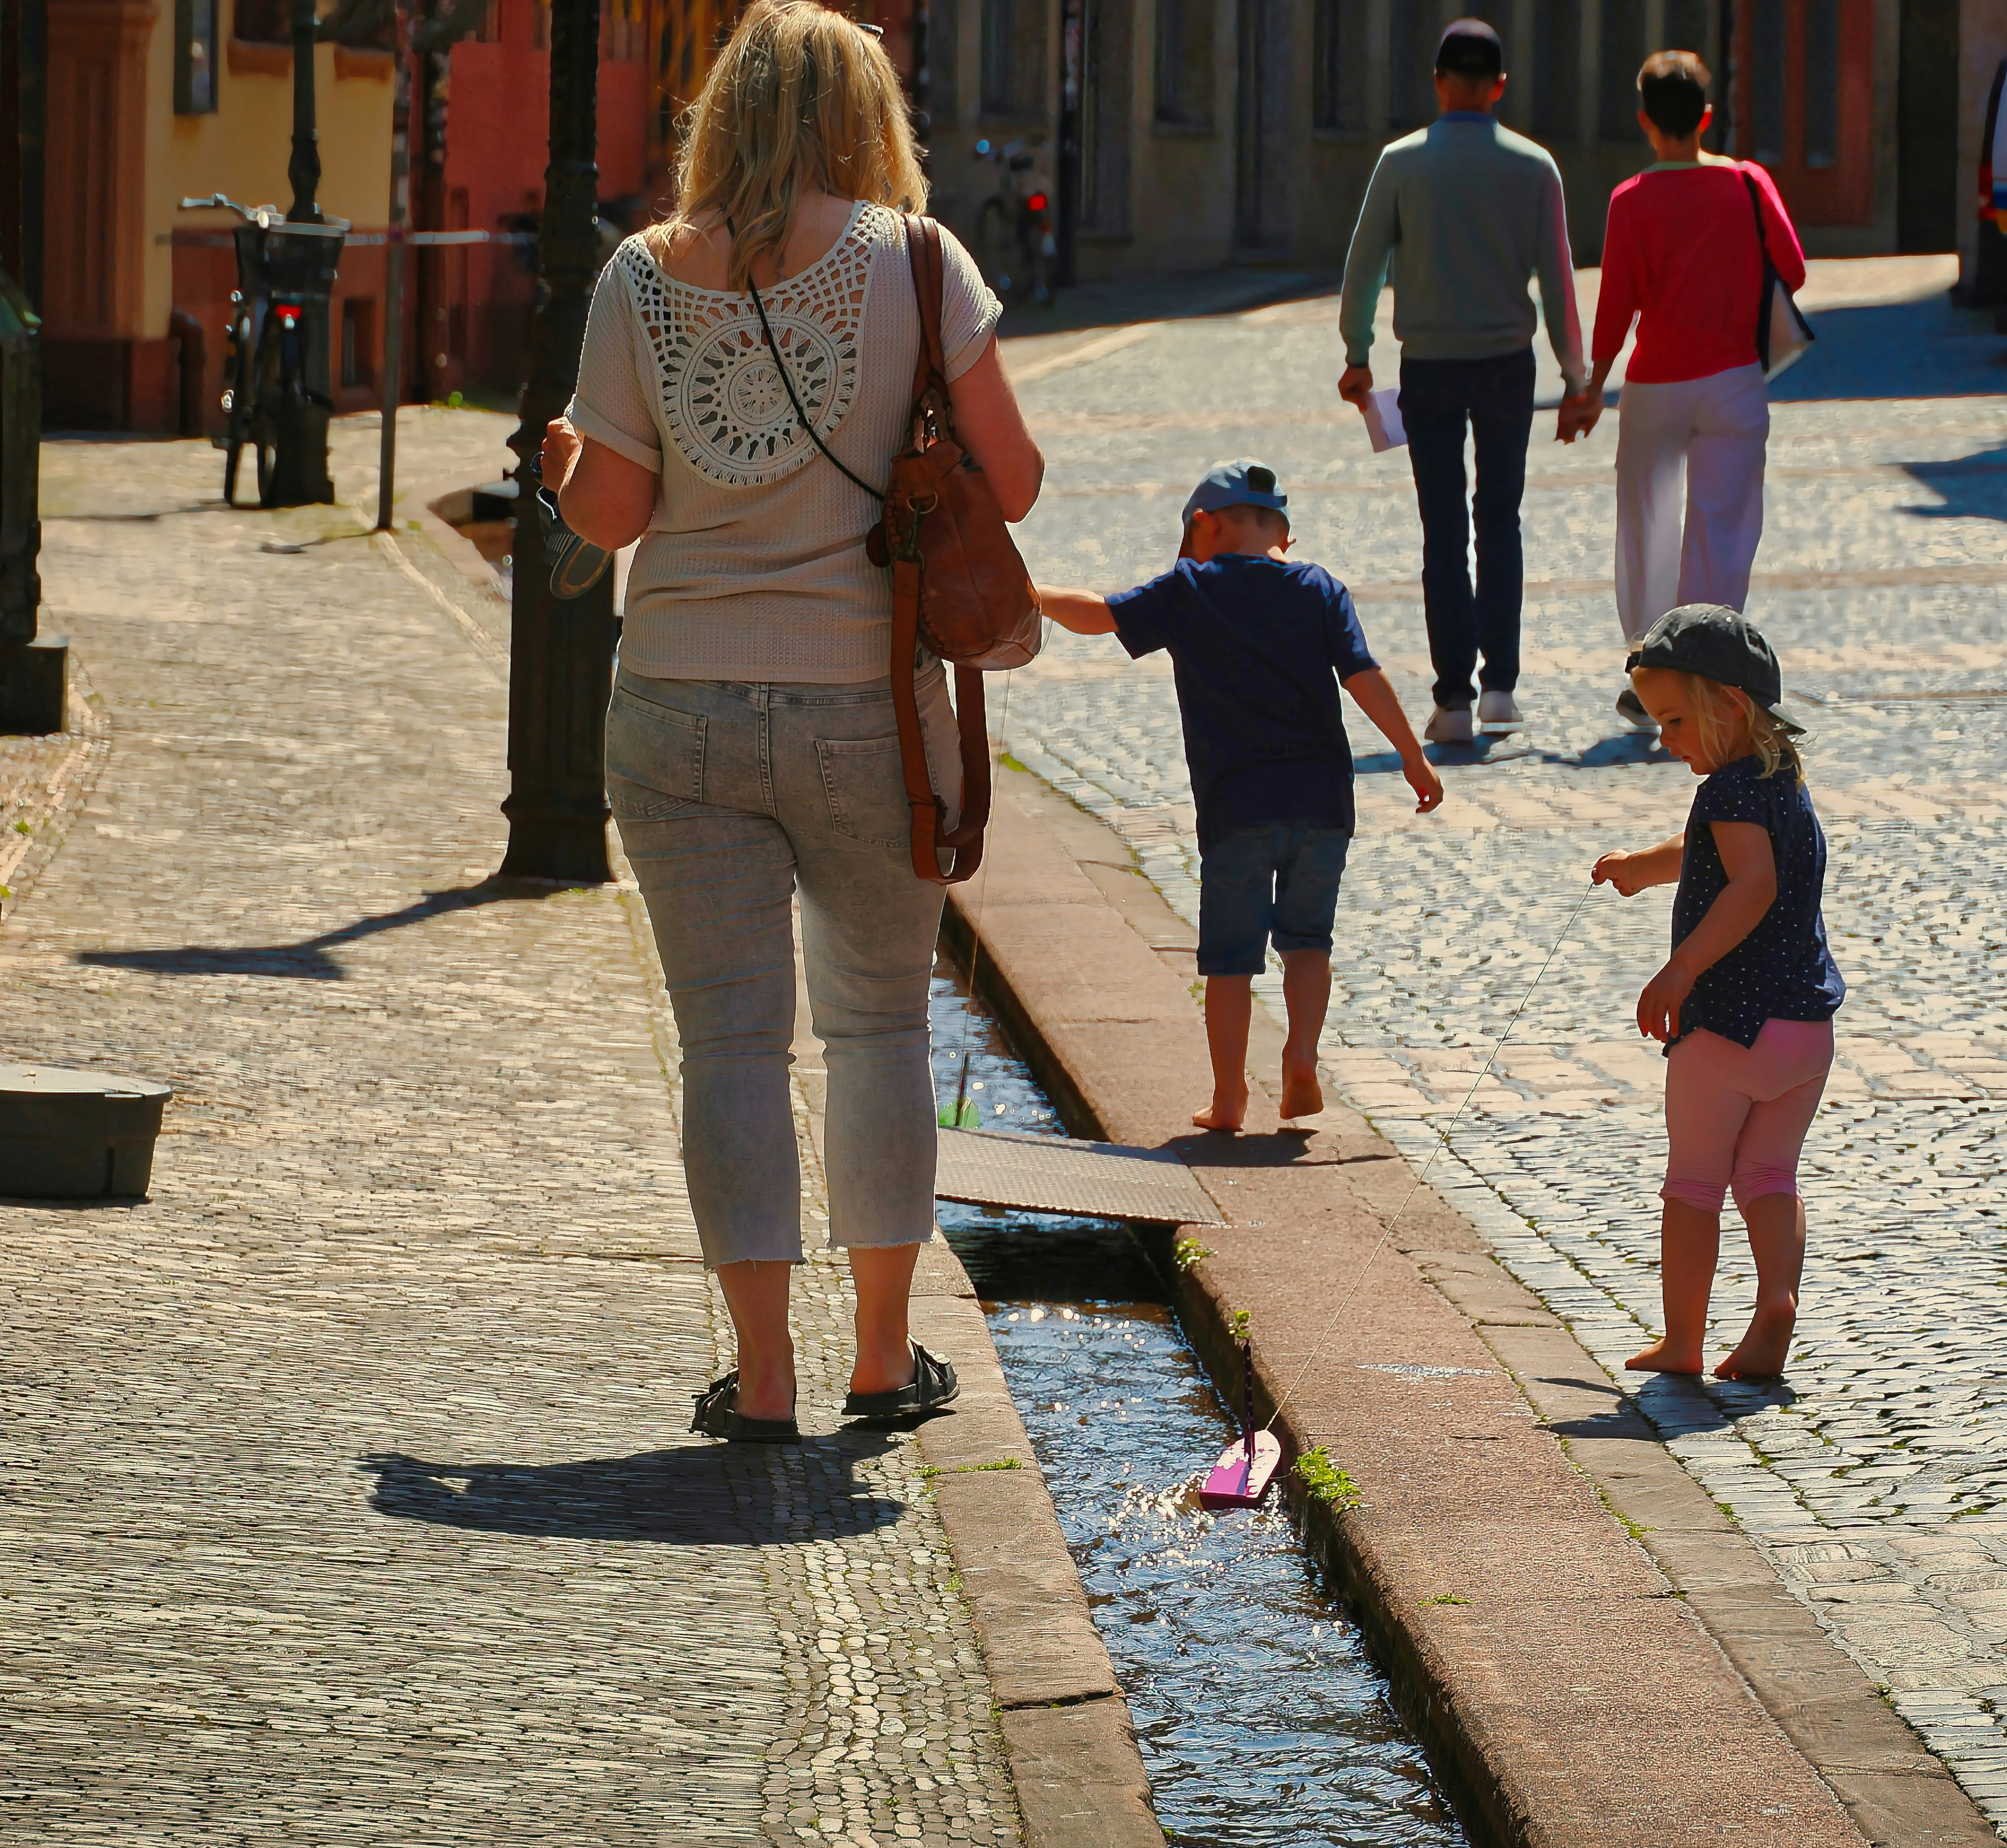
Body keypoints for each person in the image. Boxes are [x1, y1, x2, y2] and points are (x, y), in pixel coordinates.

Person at [541, 1, 1045, 1445]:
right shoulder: (923, 262)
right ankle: (881, 1358)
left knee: (731, 1044)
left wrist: (574, 467)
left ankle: (761, 1377)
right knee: (880, 1026)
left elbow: (617, 515)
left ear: (722, 118)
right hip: (867, 711)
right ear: (867, 119)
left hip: (679, 704)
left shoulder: (640, 276)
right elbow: (1008, 483)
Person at [1034, 462, 1444, 1133]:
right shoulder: (1319, 588)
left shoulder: (1194, 586)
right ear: (1281, 529)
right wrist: (1412, 755)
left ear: (1206, 525)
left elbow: (1103, 615)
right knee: (1309, 942)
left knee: (1230, 961)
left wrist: (1033, 593)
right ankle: (1302, 1056)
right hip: (1322, 805)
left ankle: (1229, 1099)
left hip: (1237, 810)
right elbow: (1362, 676)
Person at [1591, 607, 1841, 1380]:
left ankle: (1683, 1341)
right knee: (1770, 1175)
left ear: (1729, 705)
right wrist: (1641, 865)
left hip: (1728, 1029)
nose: (1665, 739)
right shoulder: (1779, 779)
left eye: (1673, 719)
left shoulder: (1728, 792)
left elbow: (1750, 884)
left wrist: (1681, 970)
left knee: (1695, 1183)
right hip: (1804, 1031)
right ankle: (1778, 1299)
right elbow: (1713, 853)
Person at [1336, 17, 1590, 746]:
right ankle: (1501, 689)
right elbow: (1558, 284)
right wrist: (1577, 377)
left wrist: (1358, 355)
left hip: (1431, 367)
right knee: (1500, 517)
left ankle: (1451, 698)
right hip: (1509, 363)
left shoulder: (1401, 163)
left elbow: (1364, 267)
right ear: (1500, 87)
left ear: (1440, 82)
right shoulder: (1535, 168)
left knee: (1442, 527)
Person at [1574, 50, 1806, 736]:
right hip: (1734, 380)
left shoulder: (1631, 199)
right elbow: (1793, 266)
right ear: (1707, 117)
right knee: (1723, 532)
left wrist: (1591, 386)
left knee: (1646, 530)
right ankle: (1710, 670)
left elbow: (1615, 307)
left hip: (1656, 385)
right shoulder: (1748, 183)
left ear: (1646, 121)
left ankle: (1649, 668)